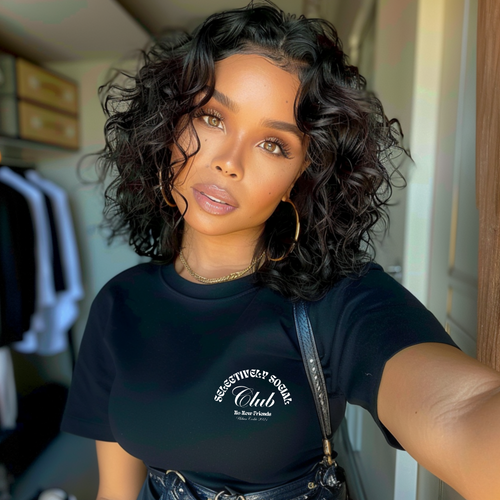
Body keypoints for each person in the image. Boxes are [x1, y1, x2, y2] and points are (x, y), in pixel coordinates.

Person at [60, 2, 500, 500]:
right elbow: (115, 491)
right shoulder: (119, 305)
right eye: (212, 117)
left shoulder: (338, 300)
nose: (229, 162)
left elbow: (466, 409)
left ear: (300, 178)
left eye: (273, 144)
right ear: (171, 127)